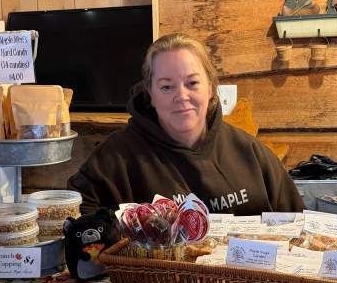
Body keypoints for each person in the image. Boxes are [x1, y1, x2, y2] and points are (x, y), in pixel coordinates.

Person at [68, 33, 304, 215]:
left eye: (192, 83)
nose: (181, 96)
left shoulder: (250, 152)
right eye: (166, 86)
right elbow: (75, 211)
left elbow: (297, 222)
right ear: (150, 93)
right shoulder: (117, 157)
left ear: (211, 88)